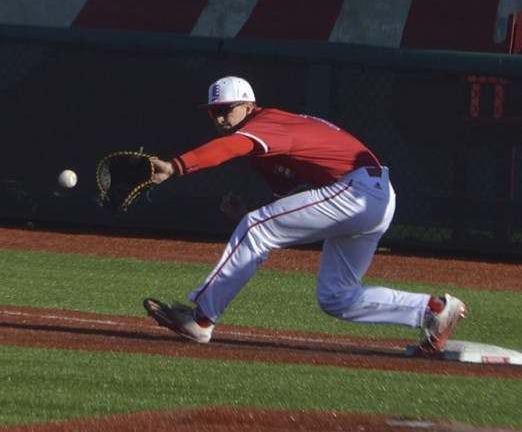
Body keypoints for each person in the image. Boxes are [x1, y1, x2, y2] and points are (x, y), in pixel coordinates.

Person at [143, 75, 466, 354]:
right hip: (371, 196)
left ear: (248, 105)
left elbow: (229, 149)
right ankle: (434, 309)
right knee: (336, 296)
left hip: (359, 189)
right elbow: (289, 202)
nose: (219, 120)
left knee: (256, 228)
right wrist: (248, 214)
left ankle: (201, 320)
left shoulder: (266, 123)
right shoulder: (264, 149)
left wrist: (176, 166)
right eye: (213, 113)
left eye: (225, 110)